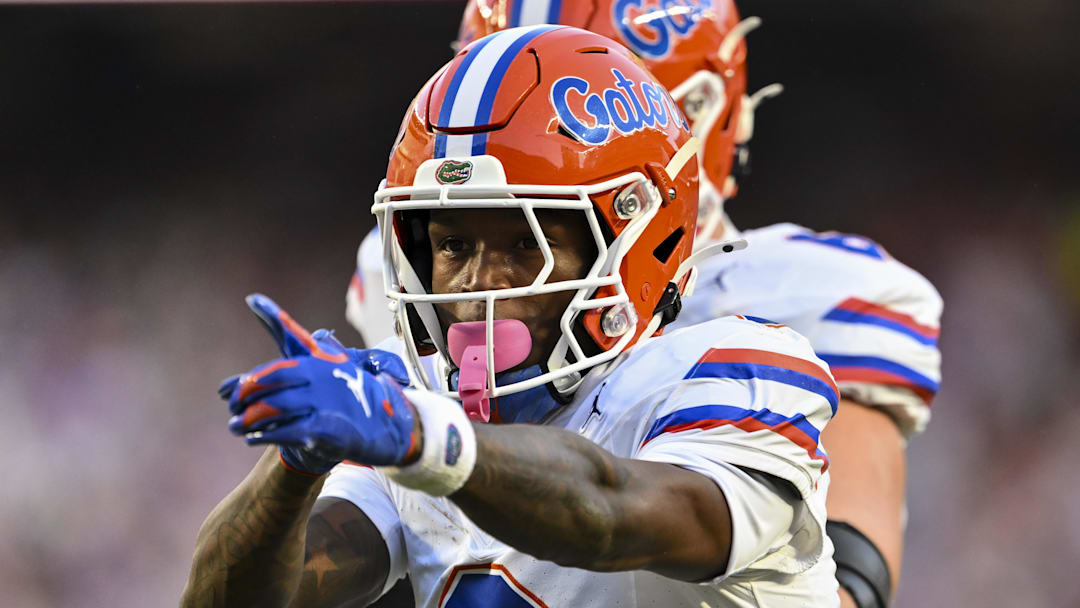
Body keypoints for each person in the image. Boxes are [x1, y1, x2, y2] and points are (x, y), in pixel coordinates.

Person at [182, 25, 839, 607]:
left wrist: (422, 437)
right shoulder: (422, 414)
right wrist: (294, 469)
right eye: (453, 245)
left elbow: (611, 514)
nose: (479, 281)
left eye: (527, 242)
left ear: (633, 246)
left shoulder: (738, 372)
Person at [431, 3, 943, 607]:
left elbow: (845, 591)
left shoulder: (790, 297)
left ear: (699, 110)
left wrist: (434, 447)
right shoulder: (434, 277)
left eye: (569, 111)